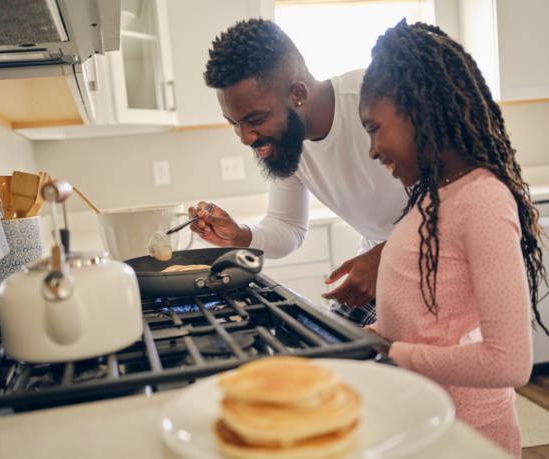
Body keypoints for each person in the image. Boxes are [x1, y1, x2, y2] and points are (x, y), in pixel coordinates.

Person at [359, 20, 548, 457]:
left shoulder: (481, 198)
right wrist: (367, 340)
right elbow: (430, 327)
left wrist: (393, 352)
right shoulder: (433, 195)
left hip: (467, 435)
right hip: (425, 422)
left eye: (374, 128)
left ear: (419, 111)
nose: (371, 149)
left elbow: (510, 362)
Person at [189, 18, 408, 326]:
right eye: (234, 123)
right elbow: (288, 226)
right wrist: (239, 235)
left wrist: (388, 256)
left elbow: (457, 201)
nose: (245, 138)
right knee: (338, 343)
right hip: (385, 257)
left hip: (442, 254)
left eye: (255, 119)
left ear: (299, 95)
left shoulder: (378, 102)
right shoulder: (288, 144)